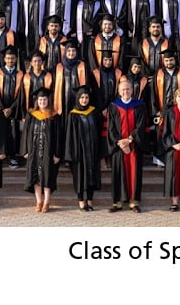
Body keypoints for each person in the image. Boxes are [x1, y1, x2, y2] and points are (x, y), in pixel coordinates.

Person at [107, 78, 148, 213]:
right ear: (119, 91)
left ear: (132, 90)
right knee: (118, 173)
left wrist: (129, 140)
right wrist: (120, 142)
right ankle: (117, 202)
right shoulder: (113, 106)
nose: (126, 91)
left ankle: (133, 201)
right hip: (119, 147)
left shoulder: (140, 105)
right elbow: (111, 128)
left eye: (128, 89)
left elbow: (141, 126)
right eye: (123, 89)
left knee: (134, 173)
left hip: (134, 146)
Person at [22, 89, 62, 213]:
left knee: (47, 176)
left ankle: (47, 202)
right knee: (36, 177)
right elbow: (25, 134)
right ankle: (39, 201)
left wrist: (57, 154)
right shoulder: (31, 115)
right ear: (37, 101)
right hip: (34, 151)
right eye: (40, 100)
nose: (42, 101)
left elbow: (59, 136)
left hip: (48, 152)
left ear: (48, 101)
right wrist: (25, 150)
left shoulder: (54, 116)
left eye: (44, 99)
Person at [63, 87, 103, 211]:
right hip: (79, 153)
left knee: (92, 176)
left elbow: (99, 132)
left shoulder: (94, 113)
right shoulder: (73, 115)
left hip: (92, 150)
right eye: (82, 97)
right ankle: (81, 201)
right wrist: (69, 156)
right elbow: (69, 136)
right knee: (80, 177)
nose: (84, 100)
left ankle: (90, 201)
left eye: (86, 97)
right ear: (77, 99)